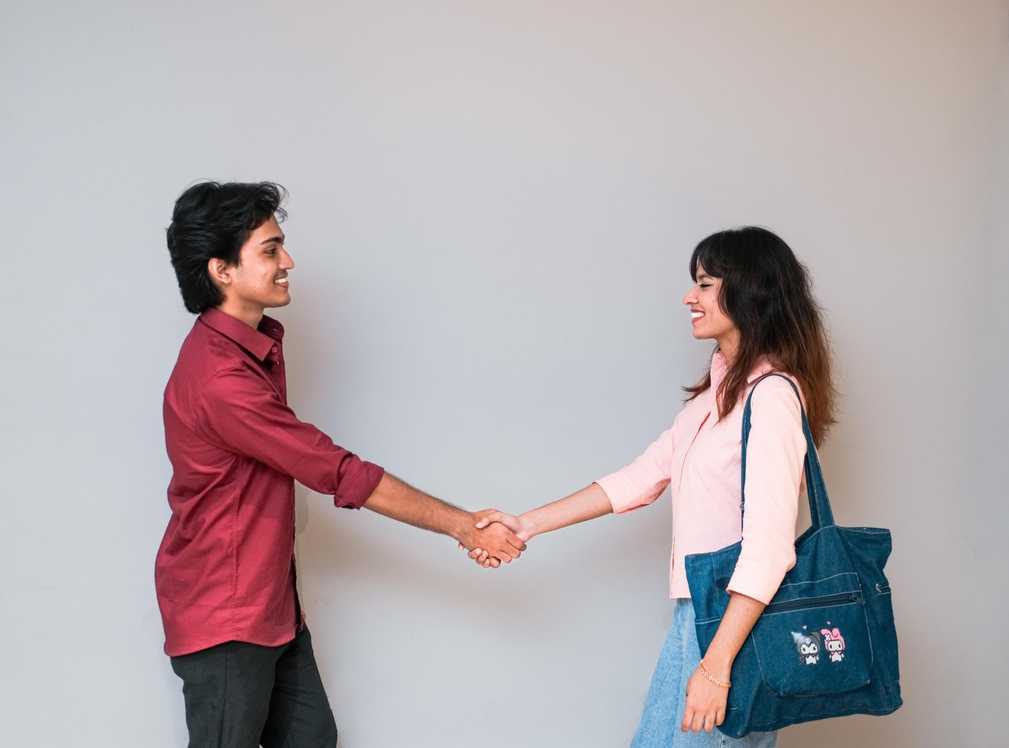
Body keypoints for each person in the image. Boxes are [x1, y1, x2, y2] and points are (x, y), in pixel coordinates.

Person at [157, 181, 525, 748]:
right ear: (222, 270)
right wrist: (462, 523)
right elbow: (336, 470)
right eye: (271, 250)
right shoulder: (221, 380)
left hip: (269, 604)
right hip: (226, 614)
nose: (289, 262)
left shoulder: (247, 349)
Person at [469, 226, 836, 747]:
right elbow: (640, 478)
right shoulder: (718, 395)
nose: (690, 297)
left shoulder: (772, 398)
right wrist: (525, 525)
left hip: (733, 625)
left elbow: (770, 549)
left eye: (706, 285)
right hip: (696, 617)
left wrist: (715, 668)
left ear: (751, 292)